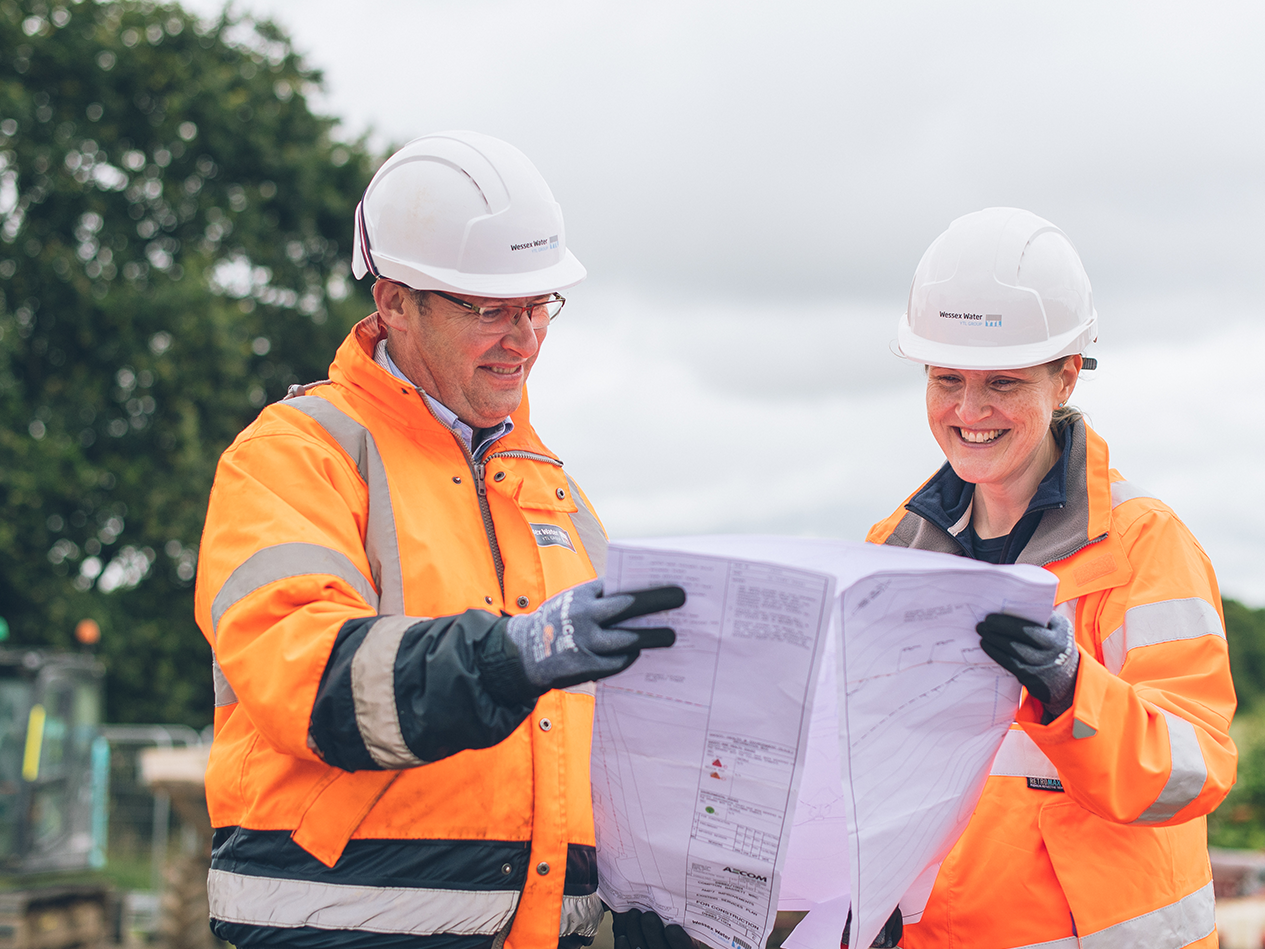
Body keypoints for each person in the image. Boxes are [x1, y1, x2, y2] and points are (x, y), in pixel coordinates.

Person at [194, 131, 684, 949]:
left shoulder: (549, 486)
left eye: (538, 307)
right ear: (392, 301)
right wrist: (508, 657)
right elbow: (308, 677)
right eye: (489, 309)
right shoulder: (294, 456)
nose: (523, 339)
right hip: (342, 925)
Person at [866, 207, 1236, 948]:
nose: (968, 411)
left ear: (1065, 376)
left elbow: (1193, 771)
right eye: (946, 380)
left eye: (1001, 381)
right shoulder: (890, 551)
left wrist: (1073, 693)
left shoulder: (1144, 544)